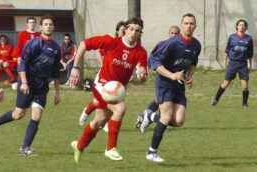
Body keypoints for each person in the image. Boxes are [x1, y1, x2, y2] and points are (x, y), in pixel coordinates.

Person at [69, 17, 147, 163]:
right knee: (120, 109)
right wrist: (75, 68)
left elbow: (142, 76)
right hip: (102, 85)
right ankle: (111, 148)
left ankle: (78, 145)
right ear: (125, 30)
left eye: (137, 31)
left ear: (140, 34)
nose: (133, 33)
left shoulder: (141, 52)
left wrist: (141, 75)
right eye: (131, 29)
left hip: (118, 91)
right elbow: (84, 44)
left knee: (98, 123)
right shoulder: (111, 42)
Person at [0, 15, 61, 156]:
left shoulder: (56, 48)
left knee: (37, 115)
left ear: (54, 27)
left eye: (51, 24)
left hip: (42, 85)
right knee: (18, 114)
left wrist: (57, 92)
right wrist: (24, 82)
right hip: (28, 81)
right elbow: (23, 63)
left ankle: (25, 148)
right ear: (41, 27)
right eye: (45, 24)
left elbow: (56, 72)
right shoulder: (35, 43)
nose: (48, 26)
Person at [143, 13, 201, 163]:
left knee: (178, 121)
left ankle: (149, 116)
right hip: (164, 82)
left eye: (192, 23)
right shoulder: (172, 43)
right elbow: (153, 61)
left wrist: (189, 76)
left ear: (195, 26)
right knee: (167, 116)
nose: (189, 26)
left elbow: (193, 62)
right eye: (186, 23)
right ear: (182, 25)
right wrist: (171, 75)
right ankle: (151, 152)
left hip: (179, 85)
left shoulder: (196, 45)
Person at [79, 21, 126, 127]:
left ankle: (89, 113)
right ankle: (100, 121)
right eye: (122, 31)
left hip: (118, 79)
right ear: (117, 32)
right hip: (105, 76)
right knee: (106, 99)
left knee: (112, 99)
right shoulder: (112, 42)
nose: (124, 33)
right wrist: (103, 64)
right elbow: (99, 54)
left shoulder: (128, 47)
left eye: (125, 31)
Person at [134, 25, 180, 131]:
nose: (173, 35)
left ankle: (145, 115)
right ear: (168, 34)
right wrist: (146, 69)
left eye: (176, 33)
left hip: (175, 79)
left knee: (160, 100)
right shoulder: (163, 45)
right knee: (164, 100)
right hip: (163, 78)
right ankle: (153, 118)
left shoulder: (181, 46)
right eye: (172, 33)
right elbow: (152, 57)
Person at [211, 19, 253, 108]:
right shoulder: (232, 37)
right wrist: (224, 61)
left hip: (243, 64)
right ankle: (215, 100)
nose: (241, 26)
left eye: (243, 25)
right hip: (233, 63)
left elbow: (250, 54)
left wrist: (250, 65)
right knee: (225, 84)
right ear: (237, 26)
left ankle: (244, 104)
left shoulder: (249, 39)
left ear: (245, 27)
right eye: (240, 25)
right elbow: (227, 50)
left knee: (245, 86)